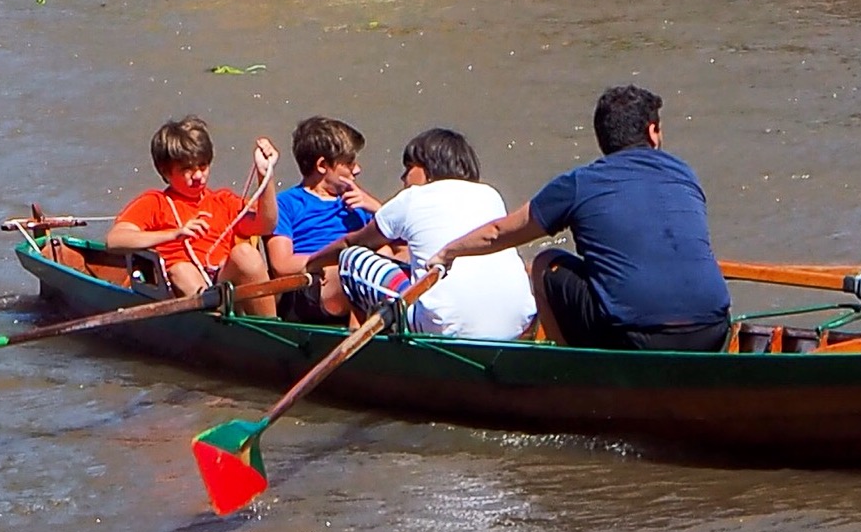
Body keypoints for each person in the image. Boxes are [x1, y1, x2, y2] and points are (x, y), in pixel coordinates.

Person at [432, 85, 731, 352]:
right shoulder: (684, 174)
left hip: (633, 338)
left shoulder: (580, 183)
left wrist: (449, 252)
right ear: (652, 132)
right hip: (713, 332)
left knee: (545, 264)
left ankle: (570, 370)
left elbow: (499, 232)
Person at [313, 127, 538, 341]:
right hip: (516, 325)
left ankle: (370, 346)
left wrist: (310, 264)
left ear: (427, 169)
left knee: (351, 258)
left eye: (409, 168)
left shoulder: (413, 197)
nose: (403, 178)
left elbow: (352, 242)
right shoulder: (490, 195)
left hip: (440, 327)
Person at [106, 116, 281, 301]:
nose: (198, 175)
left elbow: (266, 225)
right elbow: (114, 240)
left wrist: (265, 175)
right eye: (187, 169)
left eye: (203, 166)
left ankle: (267, 318)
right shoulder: (155, 203)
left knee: (246, 254)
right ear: (165, 171)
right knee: (182, 271)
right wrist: (174, 234)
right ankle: (213, 315)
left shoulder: (223, 201)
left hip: (222, 279)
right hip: (181, 286)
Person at [266, 114, 378, 321]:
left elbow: (400, 240)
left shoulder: (359, 202)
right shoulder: (287, 203)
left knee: (395, 253)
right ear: (322, 165)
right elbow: (281, 265)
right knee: (353, 268)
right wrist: (326, 260)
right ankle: (360, 337)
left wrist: (376, 208)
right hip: (311, 286)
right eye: (349, 163)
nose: (357, 170)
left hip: (357, 277)